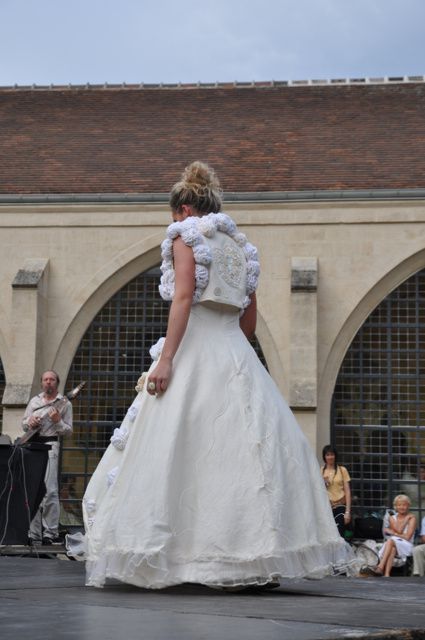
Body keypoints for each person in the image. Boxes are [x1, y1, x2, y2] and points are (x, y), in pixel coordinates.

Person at [74, 161, 354, 589]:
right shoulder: (242, 247)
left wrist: (166, 359)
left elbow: (183, 298)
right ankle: (248, 560)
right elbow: (248, 323)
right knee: (241, 456)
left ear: (185, 209)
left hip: (196, 348)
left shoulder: (185, 236)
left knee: (178, 449)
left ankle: (177, 558)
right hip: (236, 353)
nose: (172, 220)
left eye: (173, 212)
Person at [23, 370, 72, 544]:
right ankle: (34, 533)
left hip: (51, 445)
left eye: (52, 379)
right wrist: (29, 422)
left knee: (50, 490)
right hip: (33, 446)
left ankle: (50, 533)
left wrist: (58, 420)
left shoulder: (64, 403)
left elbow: (68, 431)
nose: (48, 382)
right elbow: (23, 424)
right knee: (34, 489)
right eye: (45, 379)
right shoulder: (35, 402)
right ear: (42, 383)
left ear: (56, 383)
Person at [372, 494, 416, 577]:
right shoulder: (392, 518)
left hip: (407, 545)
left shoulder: (412, 518)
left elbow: (407, 537)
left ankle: (380, 566)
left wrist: (394, 533)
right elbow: (399, 530)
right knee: (392, 548)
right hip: (393, 543)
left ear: (408, 505)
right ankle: (387, 574)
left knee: (391, 540)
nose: (401, 507)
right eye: (399, 505)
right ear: (395, 506)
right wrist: (406, 521)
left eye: (404, 505)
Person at [321, 445, 351, 537]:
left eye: (332, 454)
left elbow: (348, 491)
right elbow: (318, 491)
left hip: (340, 505)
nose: (330, 457)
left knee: (339, 533)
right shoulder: (321, 470)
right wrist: (323, 483)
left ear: (335, 456)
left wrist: (347, 512)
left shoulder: (342, 470)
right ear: (324, 457)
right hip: (327, 507)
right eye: (327, 455)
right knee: (327, 535)